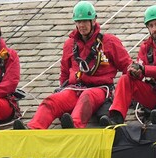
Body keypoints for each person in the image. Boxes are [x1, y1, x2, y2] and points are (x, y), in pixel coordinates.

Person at [13, 1, 131, 130]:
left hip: (100, 89)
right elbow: (64, 72)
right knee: (51, 101)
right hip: (74, 88)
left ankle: (73, 126)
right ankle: (33, 129)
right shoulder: (70, 44)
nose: (82, 25)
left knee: (87, 97)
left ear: (93, 20)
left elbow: (127, 66)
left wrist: (123, 96)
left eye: (85, 21)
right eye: (79, 22)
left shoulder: (109, 41)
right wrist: (61, 89)